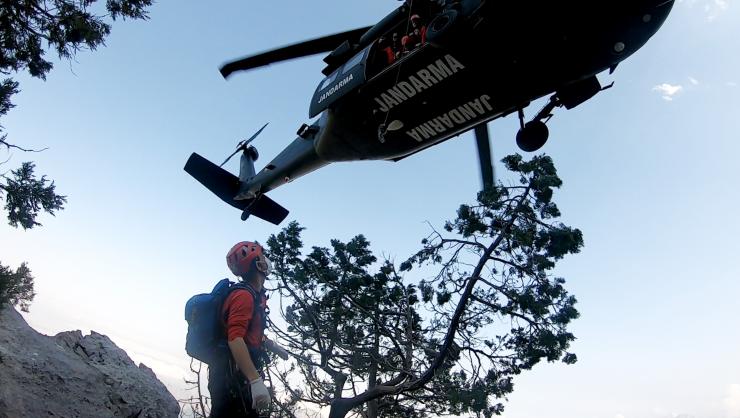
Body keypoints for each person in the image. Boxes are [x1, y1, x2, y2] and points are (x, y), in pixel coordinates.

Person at [208, 241, 289, 418]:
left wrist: (270, 344)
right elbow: (235, 338)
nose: (266, 260)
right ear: (257, 263)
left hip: (233, 375)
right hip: (232, 379)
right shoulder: (244, 296)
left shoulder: (252, 294)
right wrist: (255, 380)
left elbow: (246, 334)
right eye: (262, 256)